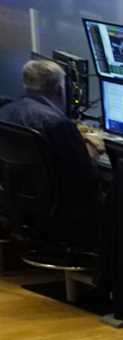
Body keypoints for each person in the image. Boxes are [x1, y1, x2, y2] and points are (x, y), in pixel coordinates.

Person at [0, 59, 102, 244]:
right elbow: (84, 174)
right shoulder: (57, 124)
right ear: (60, 89)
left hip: (19, 200)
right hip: (60, 208)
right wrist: (93, 150)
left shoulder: (5, 112)